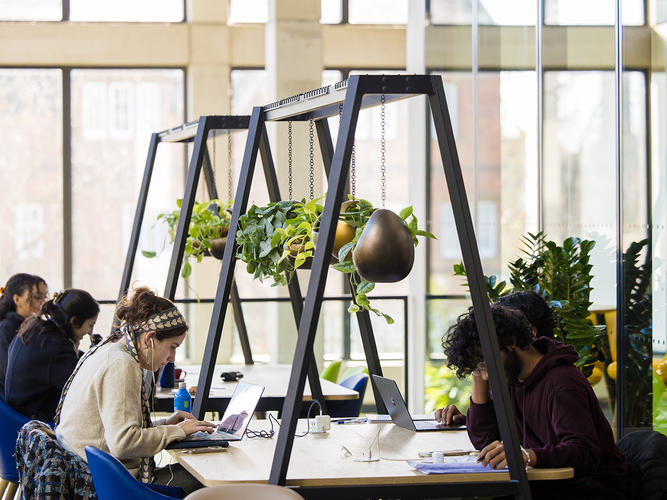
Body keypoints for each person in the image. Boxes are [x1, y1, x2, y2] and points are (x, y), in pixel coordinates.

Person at [439, 304, 629, 500]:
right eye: (477, 369)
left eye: (485, 364)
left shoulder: (562, 383)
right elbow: (483, 439)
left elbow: (584, 452)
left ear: (511, 341)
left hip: (590, 489)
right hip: (547, 486)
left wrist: (528, 456)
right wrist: (478, 373)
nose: (486, 376)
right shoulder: (511, 377)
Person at [55, 287, 216, 494]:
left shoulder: (105, 350)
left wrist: (165, 424)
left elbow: (112, 430)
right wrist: (178, 431)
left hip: (88, 474)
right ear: (150, 338)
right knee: (208, 479)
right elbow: (123, 443)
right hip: (112, 486)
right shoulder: (123, 364)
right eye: (172, 346)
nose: (172, 358)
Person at [435, 290, 556, 426]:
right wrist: (476, 364)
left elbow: (577, 445)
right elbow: (485, 434)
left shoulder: (556, 383)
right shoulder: (514, 381)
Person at [4, 289, 99, 421]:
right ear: (74, 321)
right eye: (90, 325)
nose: (90, 332)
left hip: (15, 414)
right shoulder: (57, 346)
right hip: (32, 422)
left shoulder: (35, 328)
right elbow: (82, 387)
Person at [0, 273, 48, 397]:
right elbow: (10, 376)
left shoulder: (35, 328)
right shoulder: (6, 329)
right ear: (17, 300)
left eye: (44, 297)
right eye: (38, 297)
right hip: (15, 405)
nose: (43, 303)